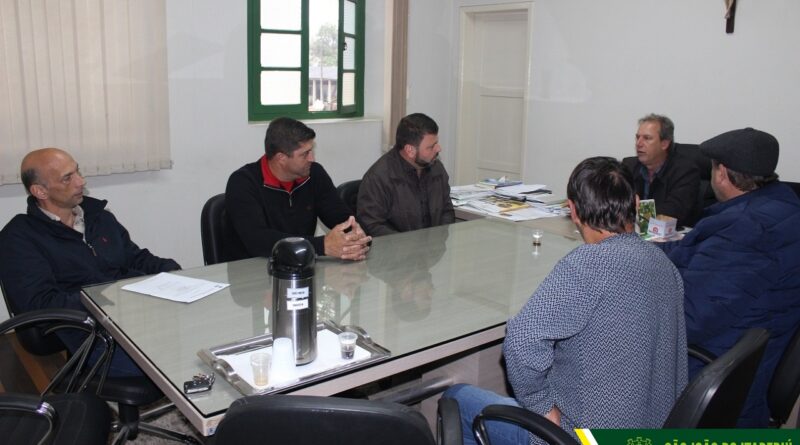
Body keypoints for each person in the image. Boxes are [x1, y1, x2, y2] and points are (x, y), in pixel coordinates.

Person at [443, 157, 687, 445]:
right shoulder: (665, 264)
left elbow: (521, 341)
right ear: (635, 203)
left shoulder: (588, 265)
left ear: (572, 210)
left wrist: (542, 407)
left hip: (583, 437)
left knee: (456, 399)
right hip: (655, 431)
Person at [659, 128, 800, 427]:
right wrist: (641, 252)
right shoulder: (783, 206)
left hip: (717, 378)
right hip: (750, 353)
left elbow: (687, 321)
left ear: (721, 173)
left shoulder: (746, 232)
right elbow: (694, 252)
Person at [0, 148, 181, 376]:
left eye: (78, 172)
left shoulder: (99, 218)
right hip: (86, 329)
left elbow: (134, 257)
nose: (81, 182)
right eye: (68, 178)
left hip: (134, 315)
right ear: (40, 191)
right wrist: (112, 297)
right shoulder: (19, 237)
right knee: (171, 362)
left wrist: (172, 271)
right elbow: (39, 302)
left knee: (199, 339)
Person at [225, 117, 371, 261]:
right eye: (305, 154)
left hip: (302, 267)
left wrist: (357, 235)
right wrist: (322, 246)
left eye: (311, 150)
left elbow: (340, 216)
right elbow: (258, 241)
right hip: (252, 273)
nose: (312, 159)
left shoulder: (314, 174)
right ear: (281, 158)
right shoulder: (242, 183)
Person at [357, 113, 455, 236]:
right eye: (431, 147)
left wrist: (439, 238)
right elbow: (371, 225)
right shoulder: (379, 177)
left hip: (434, 250)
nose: (438, 149)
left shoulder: (437, 168)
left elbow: (446, 211)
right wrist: (407, 246)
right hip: (396, 252)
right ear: (410, 150)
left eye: (437, 143)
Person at [622, 113, 701, 227]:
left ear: (664, 144)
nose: (638, 143)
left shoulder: (686, 171)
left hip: (671, 238)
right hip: (635, 234)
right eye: (637, 137)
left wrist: (638, 210)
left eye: (647, 138)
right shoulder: (629, 166)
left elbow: (673, 211)